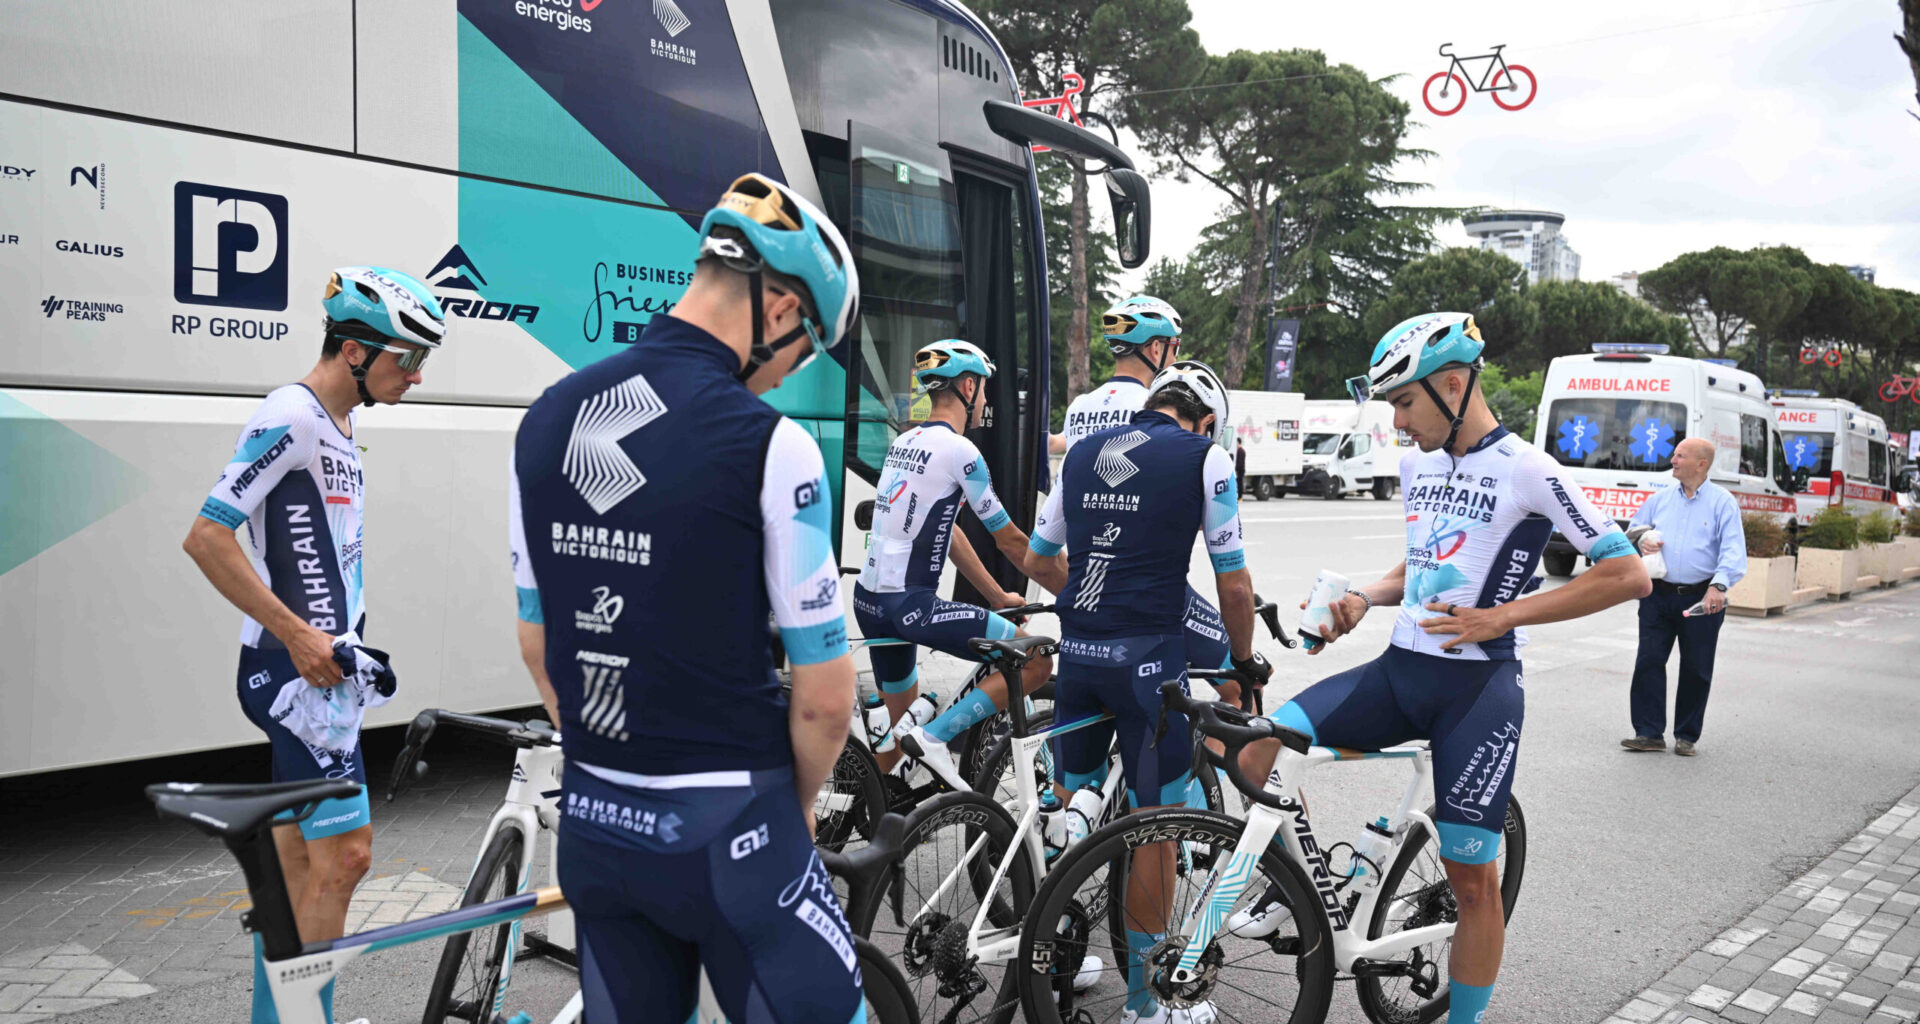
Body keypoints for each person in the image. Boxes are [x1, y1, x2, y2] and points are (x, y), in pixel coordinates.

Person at [508, 173, 865, 1023]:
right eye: (806, 347)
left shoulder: (547, 417)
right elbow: (824, 699)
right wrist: (797, 813)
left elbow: (537, 640)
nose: (787, 376)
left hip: (595, 825)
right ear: (779, 308)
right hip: (733, 834)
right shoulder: (770, 446)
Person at [1226, 313, 1650, 1024]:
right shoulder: (1421, 461)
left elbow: (1628, 574)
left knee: (1473, 883)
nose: (1397, 424)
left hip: (1475, 693)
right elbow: (1423, 562)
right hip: (1400, 671)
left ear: (1454, 384)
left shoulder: (1528, 469)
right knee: (1256, 747)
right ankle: (1299, 891)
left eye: (1404, 404)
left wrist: (1505, 617)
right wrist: (1365, 594)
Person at [184, 266, 445, 1024]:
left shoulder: (337, 423)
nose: (418, 376)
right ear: (358, 349)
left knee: (303, 862)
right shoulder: (293, 415)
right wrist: (300, 637)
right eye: (409, 358)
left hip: (323, 671)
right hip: (292, 673)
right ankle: (305, 1019)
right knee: (348, 856)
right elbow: (207, 536)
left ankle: (286, 1019)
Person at [1025, 360, 1271, 1024]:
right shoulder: (1207, 458)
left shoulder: (1080, 452)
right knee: (1153, 833)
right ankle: (1145, 1006)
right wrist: (1242, 662)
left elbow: (1038, 560)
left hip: (1078, 655)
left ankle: (1055, 949)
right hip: (1146, 667)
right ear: (1207, 418)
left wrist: (1089, 600)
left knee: (1069, 810)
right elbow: (1234, 585)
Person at [853, 339, 1052, 792]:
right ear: (967, 386)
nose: (984, 401)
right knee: (1036, 660)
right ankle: (938, 735)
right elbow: (1011, 541)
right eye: (982, 390)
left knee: (898, 763)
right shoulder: (962, 452)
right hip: (912, 607)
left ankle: (885, 819)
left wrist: (998, 597)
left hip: (871, 603)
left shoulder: (905, 440)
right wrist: (1074, 585)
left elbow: (948, 531)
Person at [1048, 296, 1238, 684]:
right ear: (1156, 348)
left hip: (1087, 584)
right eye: (1175, 349)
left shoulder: (1080, 406)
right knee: (1235, 680)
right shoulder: (1154, 404)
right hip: (1148, 593)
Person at [1621, 437, 1746, 756]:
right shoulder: (1660, 499)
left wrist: (1718, 587)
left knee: (1696, 666)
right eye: (1674, 454)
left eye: (1680, 455)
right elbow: (1633, 531)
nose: (1673, 460)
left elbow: (1733, 549)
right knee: (1648, 660)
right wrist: (1643, 540)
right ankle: (1648, 732)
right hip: (1658, 595)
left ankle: (1687, 735)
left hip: (1701, 599)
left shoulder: (1722, 502)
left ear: (1701, 464)